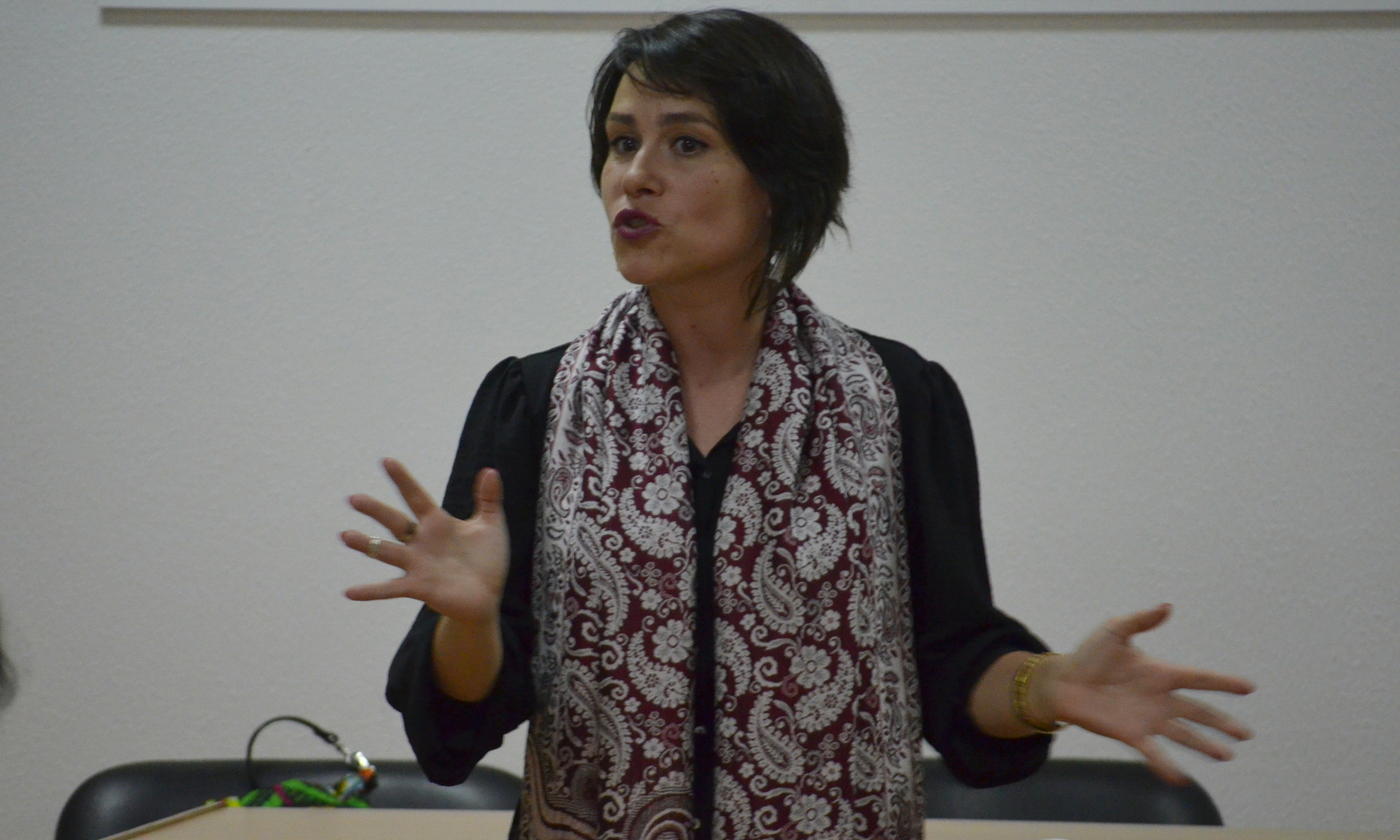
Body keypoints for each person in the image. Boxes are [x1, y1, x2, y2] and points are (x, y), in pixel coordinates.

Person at [342, 10, 1253, 840]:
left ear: (776, 180)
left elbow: (951, 662)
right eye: (621, 142)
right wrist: (469, 621)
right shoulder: (537, 401)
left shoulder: (897, 397)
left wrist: (1046, 686)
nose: (636, 174)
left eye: (686, 142)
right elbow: (463, 714)